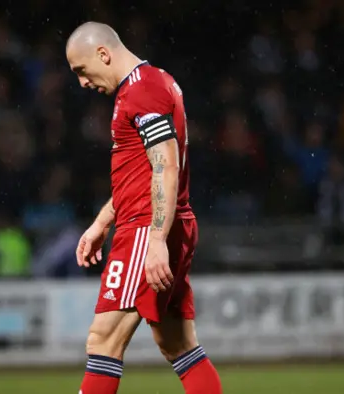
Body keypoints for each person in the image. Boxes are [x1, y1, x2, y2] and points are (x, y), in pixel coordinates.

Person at [66, 22, 222, 394]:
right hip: (159, 222)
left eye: (81, 71)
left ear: (103, 54)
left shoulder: (142, 92)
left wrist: (154, 239)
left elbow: (165, 165)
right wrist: (102, 222)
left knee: (103, 341)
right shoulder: (153, 82)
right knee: (178, 344)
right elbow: (139, 173)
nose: (82, 83)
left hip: (145, 228)